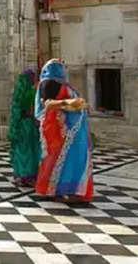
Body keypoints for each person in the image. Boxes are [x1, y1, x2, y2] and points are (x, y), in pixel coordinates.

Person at [34, 59, 94, 203]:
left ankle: (71, 190)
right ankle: (62, 191)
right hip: (64, 130)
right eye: (62, 66)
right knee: (65, 160)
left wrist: (79, 104)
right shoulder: (48, 84)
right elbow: (47, 104)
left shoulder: (64, 85)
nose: (64, 68)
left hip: (75, 130)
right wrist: (70, 104)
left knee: (75, 159)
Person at [8, 69, 41, 186]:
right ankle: (30, 176)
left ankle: (22, 175)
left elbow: (15, 111)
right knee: (31, 150)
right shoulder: (34, 92)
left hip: (22, 125)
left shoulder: (19, 93)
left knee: (22, 151)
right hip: (31, 124)